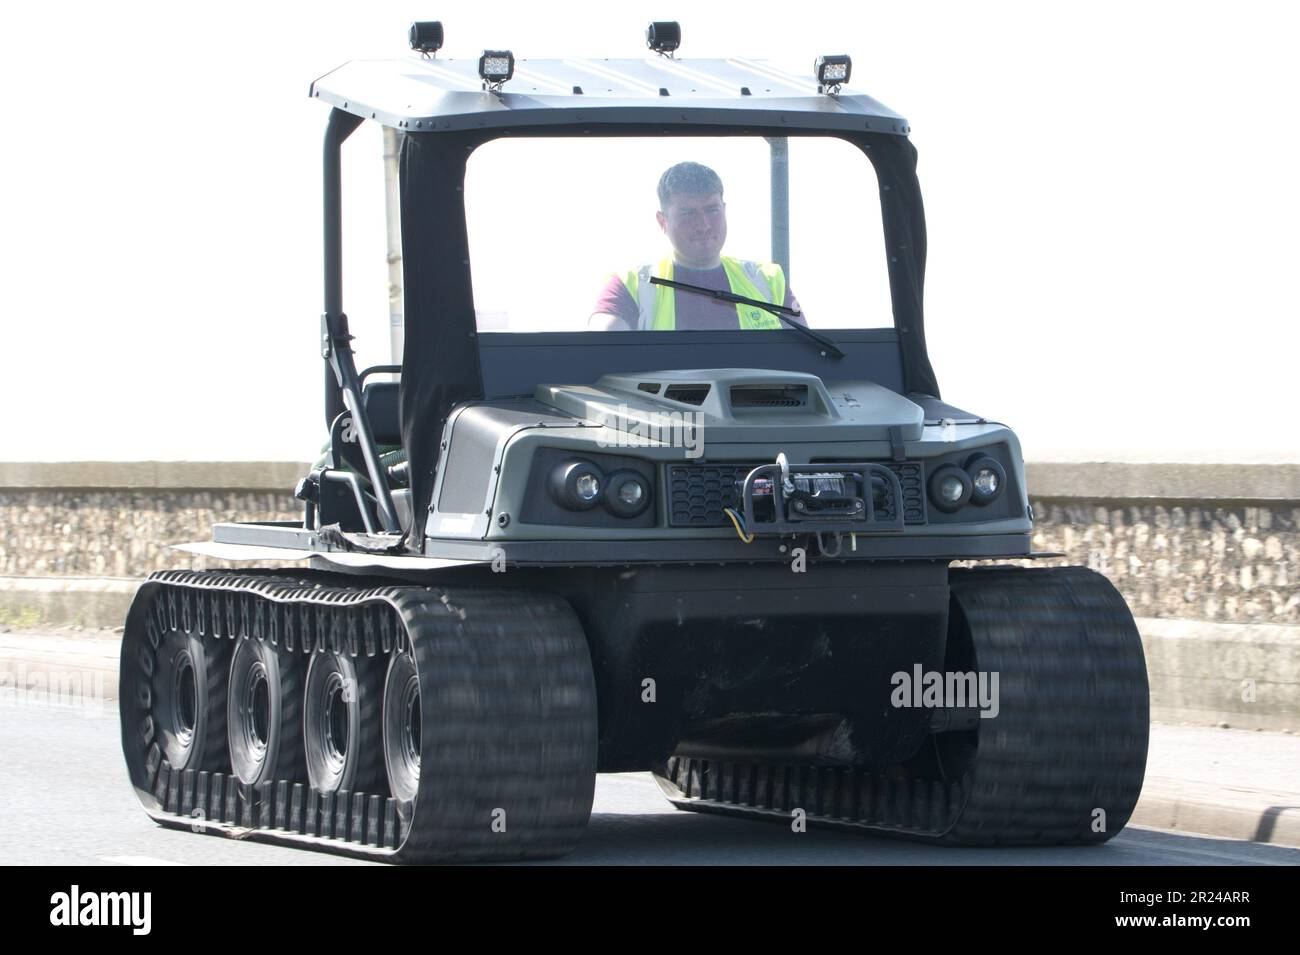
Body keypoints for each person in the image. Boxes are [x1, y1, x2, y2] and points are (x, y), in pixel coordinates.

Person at [589, 161, 806, 331]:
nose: (703, 225)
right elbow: (599, 348)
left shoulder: (767, 281)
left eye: (712, 210)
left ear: (725, 209)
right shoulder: (632, 286)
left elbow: (810, 359)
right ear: (662, 221)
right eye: (687, 213)